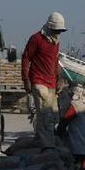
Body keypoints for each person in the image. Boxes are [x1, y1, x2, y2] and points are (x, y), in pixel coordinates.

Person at [21, 12, 67, 148]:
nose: (58, 33)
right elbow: (26, 58)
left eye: (60, 31)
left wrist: (59, 79)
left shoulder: (56, 42)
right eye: (57, 30)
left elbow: (55, 61)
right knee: (45, 114)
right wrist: (25, 79)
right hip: (38, 81)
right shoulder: (36, 39)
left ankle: (42, 139)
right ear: (50, 27)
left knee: (53, 115)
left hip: (51, 82)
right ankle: (47, 146)